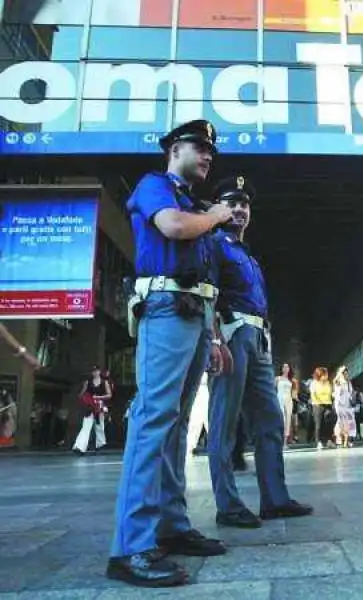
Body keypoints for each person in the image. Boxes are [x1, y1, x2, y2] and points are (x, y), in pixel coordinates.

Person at [108, 119, 234, 588]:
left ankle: (172, 526)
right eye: (200, 148)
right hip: (166, 309)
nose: (207, 156)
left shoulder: (189, 199)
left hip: (195, 313)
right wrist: (218, 216)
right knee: (153, 422)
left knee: (177, 427)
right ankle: (131, 546)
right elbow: (174, 228)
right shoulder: (156, 186)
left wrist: (216, 336)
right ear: (175, 147)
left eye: (211, 152)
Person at [207, 175, 313, 529]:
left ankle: (275, 499)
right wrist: (215, 339)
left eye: (244, 204)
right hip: (232, 331)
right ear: (218, 208)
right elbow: (207, 293)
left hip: (258, 337)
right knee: (224, 421)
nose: (239, 209)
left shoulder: (247, 255)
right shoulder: (212, 244)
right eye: (231, 203)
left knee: (270, 420)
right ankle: (228, 504)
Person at [73, 365, 111, 455]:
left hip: (100, 406)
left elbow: (109, 395)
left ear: (99, 372)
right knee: (86, 426)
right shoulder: (88, 382)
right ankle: (79, 447)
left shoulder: (104, 382)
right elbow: (81, 395)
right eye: (93, 371)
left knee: (100, 426)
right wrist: (84, 391)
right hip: (90, 407)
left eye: (96, 371)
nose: (95, 373)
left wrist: (98, 397)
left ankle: (100, 444)